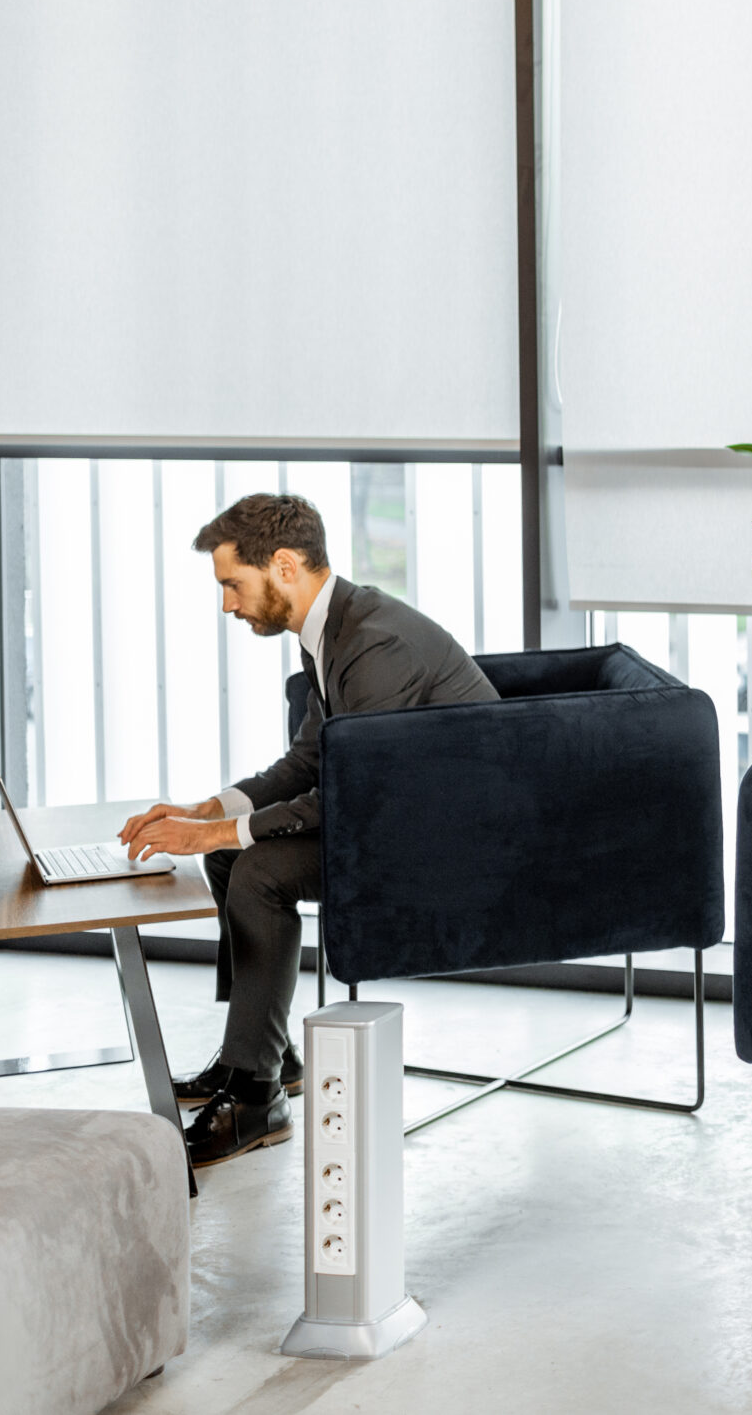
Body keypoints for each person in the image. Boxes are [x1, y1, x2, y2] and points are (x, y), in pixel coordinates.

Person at [117, 493, 499, 1166]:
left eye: (234, 584)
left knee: (255, 867)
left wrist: (223, 832)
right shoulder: (330, 627)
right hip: (393, 813)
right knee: (232, 859)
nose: (228, 604)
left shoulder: (374, 644)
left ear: (284, 566)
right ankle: (262, 1055)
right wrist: (207, 812)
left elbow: (353, 793)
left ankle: (255, 1094)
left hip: (448, 843)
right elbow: (312, 758)